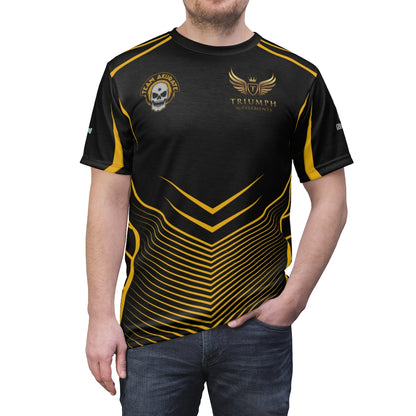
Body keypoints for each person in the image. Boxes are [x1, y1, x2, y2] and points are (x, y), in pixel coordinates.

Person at [80, 1, 353, 414]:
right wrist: (99, 315)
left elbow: (331, 198)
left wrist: (295, 298)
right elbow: (108, 199)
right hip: (151, 330)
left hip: (256, 329)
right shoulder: (127, 73)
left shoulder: (298, 78)